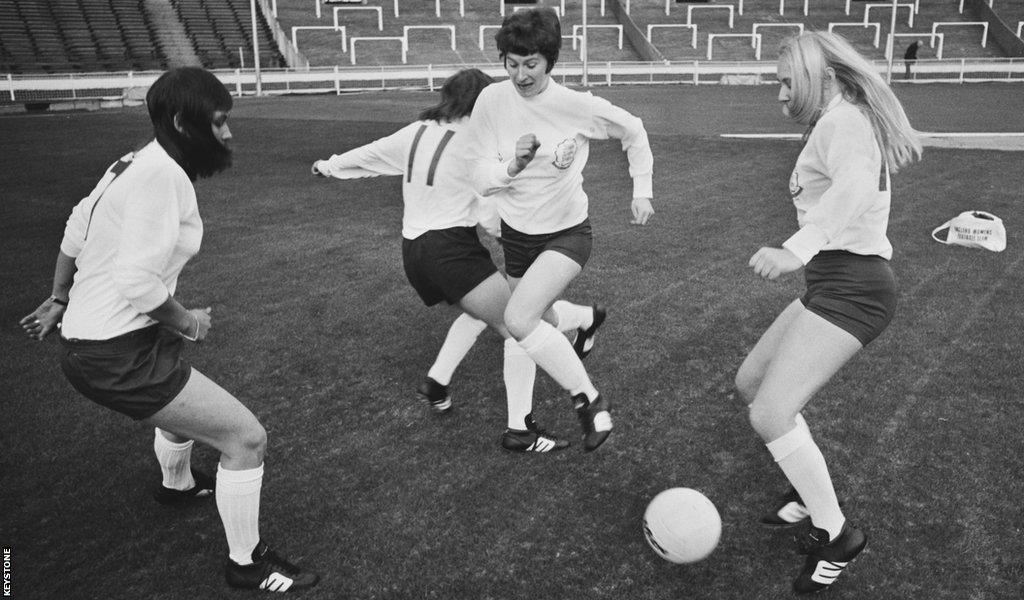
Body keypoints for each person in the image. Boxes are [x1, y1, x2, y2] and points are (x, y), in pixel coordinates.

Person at [19, 67, 320, 593]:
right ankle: (247, 565)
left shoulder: (136, 160)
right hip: (112, 353)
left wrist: (60, 296)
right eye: (220, 123)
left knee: (183, 405)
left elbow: (75, 225)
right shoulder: (162, 175)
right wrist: (188, 321)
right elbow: (135, 279)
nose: (228, 135)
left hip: (105, 341)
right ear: (184, 121)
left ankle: (177, 486)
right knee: (246, 438)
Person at [311, 68, 600, 453]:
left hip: (414, 253)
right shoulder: (474, 142)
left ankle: (438, 380)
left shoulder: (417, 131)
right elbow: (487, 212)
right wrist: (514, 235)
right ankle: (522, 429)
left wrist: (329, 165)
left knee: (486, 310)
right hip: (450, 249)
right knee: (520, 321)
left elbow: (371, 155)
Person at [735, 32, 921, 594]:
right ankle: (808, 490)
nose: (781, 94)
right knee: (753, 383)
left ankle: (839, 536)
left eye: (788, 82)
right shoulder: (838, 120)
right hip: (833, 283)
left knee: (769, 414)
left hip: (855, 288)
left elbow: (857, 187)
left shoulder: (843, 120)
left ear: (824, 77)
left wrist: (797, 247)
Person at [467, 7, 654, 452]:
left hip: (567, 234)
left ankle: (588, 399)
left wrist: (641, 189)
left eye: (530, 63)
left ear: (550, 60)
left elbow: (634, 130)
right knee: (537, 321)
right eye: (511, 64)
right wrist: (511, 165)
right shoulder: (491, 102)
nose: (520, 74)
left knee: (517, 318)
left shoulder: (576, 106)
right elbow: (476, 173)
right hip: (517, 235)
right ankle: (586, 321)